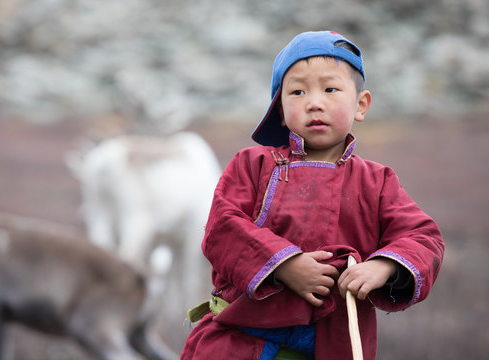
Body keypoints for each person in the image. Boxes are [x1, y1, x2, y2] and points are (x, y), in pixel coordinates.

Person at [181, 31, 445, 360]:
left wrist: (383, 267)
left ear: (361, 105)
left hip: (333, 344)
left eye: (330, 89)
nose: (314, 102)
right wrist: (284, 264)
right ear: (279, 107)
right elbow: (222, 227)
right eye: (298, 91)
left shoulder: (377, 182)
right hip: (239, 338)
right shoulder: (251, 165)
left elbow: (423, 237)